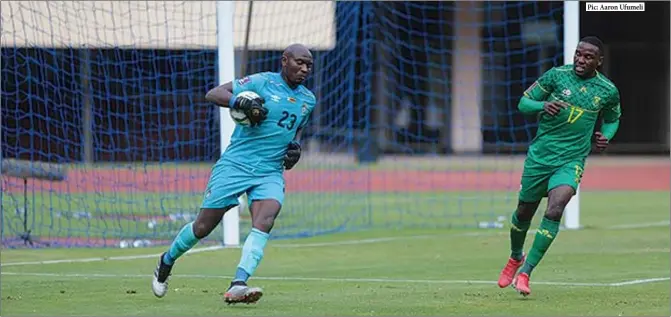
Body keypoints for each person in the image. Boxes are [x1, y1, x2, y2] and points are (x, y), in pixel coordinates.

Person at [151, 43, 316, 304]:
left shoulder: (308, 100)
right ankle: (166, 260)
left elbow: (296, 130)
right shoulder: (262, 82)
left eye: (309, 65)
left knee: (265, 220)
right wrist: (239, 101)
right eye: (300, 62)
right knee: (203, 227)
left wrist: (295, 148)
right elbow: (214, 94)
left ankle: (238, 283)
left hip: (270, 171)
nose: (304, 69)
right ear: (284, 60)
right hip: (236, 165)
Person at [497, 36, 621, 296]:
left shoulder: (607, 90)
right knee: (523, 212)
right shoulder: (556, 76)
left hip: (571, 160)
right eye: (578, 54)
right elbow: (523, 103)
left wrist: (605, 136)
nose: (581, 60)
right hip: (540, 158)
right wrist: (543, 105)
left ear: (599, 61)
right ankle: (515, 257)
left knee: (556, 208)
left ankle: (526, 272)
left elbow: (612, 119)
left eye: (588, 57)